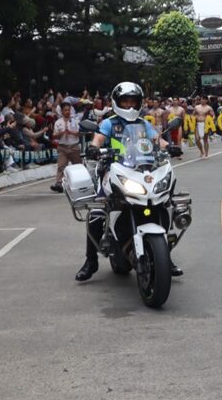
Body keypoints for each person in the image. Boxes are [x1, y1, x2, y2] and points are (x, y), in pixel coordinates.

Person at [77, 82, 182, 282]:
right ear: (117, 103)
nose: (129, 105)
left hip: (141, 171)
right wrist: (93, 147)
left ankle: (165, 257)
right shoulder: (109, 123)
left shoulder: (144, 124)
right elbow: (98, 139)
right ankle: (91, 261)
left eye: (133, 101)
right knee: (97, 214)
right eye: (125, 101)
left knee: (163, 204)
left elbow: (157, 140)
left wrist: (171, 146)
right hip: (113, 171)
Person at [50, 102, 81, 193]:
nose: (67, 112)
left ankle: (80, 183)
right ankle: (59, 184)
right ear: (62, 111)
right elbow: (54, 136)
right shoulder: (58, 123)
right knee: (61, 166)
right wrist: (62, 132)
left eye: (68, 110)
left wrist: (71, 132)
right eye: (65, 110)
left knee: (78, 165)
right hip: (63, 147)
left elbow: (80, 133)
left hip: (74, 146)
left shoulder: (75, 121)